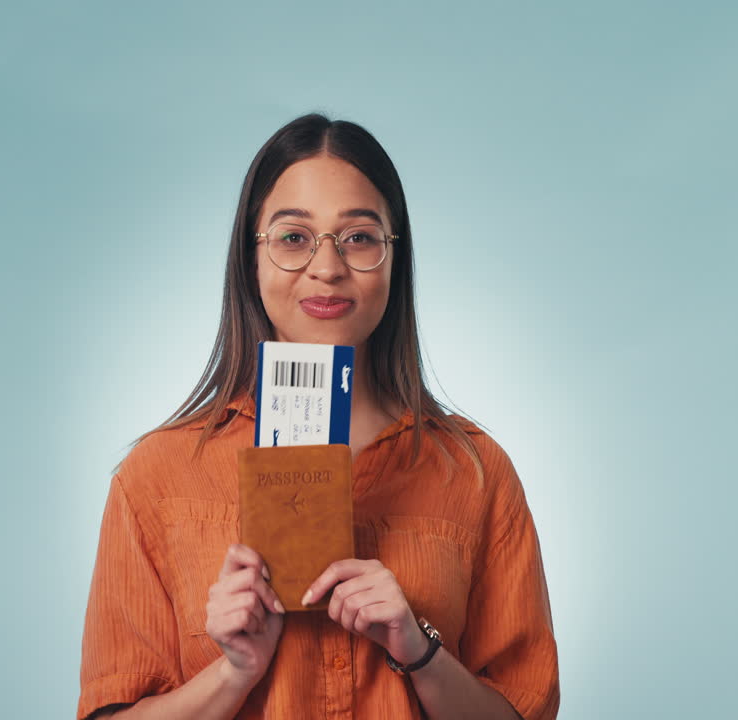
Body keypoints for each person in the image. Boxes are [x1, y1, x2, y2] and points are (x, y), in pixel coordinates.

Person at [77, 114, 560, 719]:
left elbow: (526, 711)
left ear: (393, 258)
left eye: (359, 237)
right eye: (293, 238)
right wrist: (234, 673)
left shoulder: (476, 472)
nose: (327, 267)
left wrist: (419, 652)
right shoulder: (157, 476)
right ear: (251, 261)